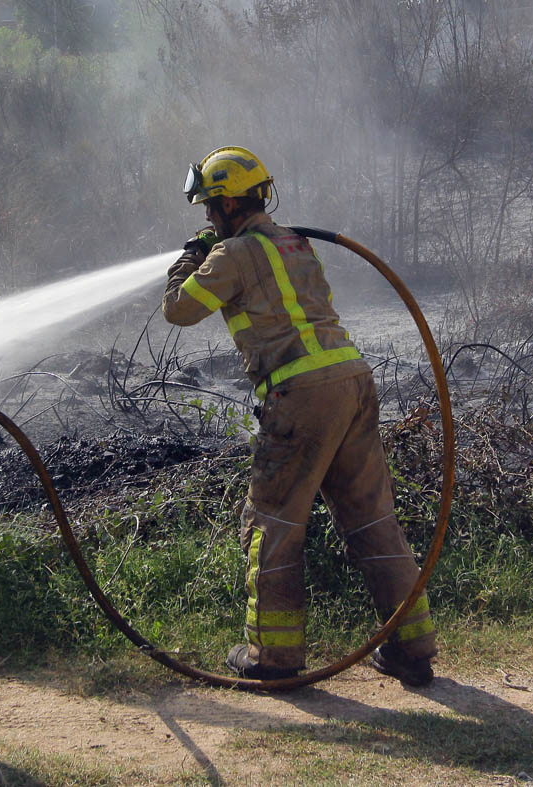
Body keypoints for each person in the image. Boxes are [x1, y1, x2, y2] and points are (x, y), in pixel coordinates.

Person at [162, 146, 437, 687]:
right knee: (372, 517)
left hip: (302, 395)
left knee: (273, 524)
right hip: (352, 382)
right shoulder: (297, 244)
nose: (206, 218)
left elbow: (179, 308)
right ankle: (413, 647)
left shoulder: (232, 255)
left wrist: (190, 257)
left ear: (226, 205)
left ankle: (275, 656)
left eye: (208, 208)